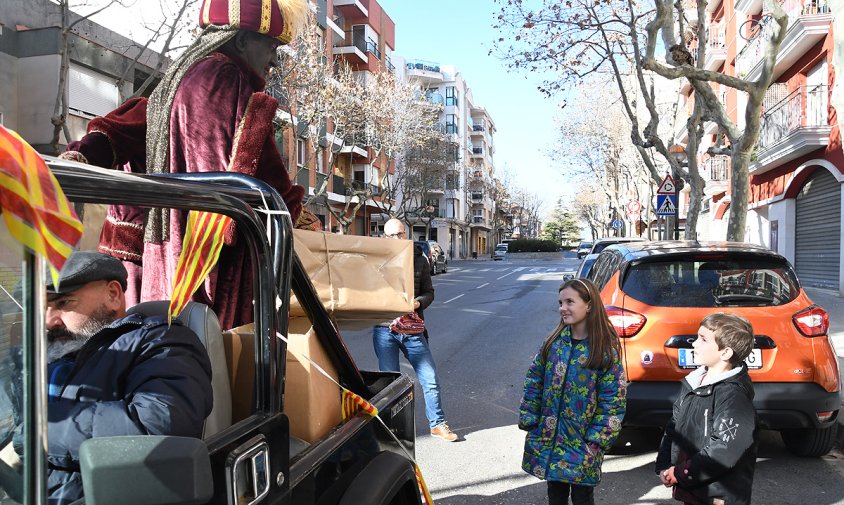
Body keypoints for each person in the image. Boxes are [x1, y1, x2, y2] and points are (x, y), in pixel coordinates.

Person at [60, 0, 310, 329]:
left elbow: (116, 131)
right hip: (201, 270)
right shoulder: (224, 77)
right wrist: (292, 209)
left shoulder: (174, 87)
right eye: (271, 45)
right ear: (240, 40)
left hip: (155, 267)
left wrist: (83, 153)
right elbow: (255, 180)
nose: (275, 59)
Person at [44, 251, 213, 504]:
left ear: (113, 295)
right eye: (43, 307)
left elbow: (158, 428)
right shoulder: (48, 349)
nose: (49, 320)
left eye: (64, 303)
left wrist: (40, 433)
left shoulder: (162, 341)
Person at [519, 278, 626, 505]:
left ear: (588, 305)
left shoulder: (604, 350)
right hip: (551, 440)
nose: (562, 308)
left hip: (583, 445)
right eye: (560, 302)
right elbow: (534, 380)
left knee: (582, 498)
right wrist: (530, 419)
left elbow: (613, 401)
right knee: (555, 494)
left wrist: (596, 440)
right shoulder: (554, 343)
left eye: (569, 302)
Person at [655, 313, 758, 505]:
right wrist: (665, 465)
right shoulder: (694, 383)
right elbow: (674, 427)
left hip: (718, 494)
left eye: (702, 339)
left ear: (725, 353)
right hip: (693, 487)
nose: (694, 344)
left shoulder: (733, 397)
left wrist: (682, 472)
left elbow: (725, 449)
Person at [373, 218, 457, 442]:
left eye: (400, 234)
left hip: (413, 329)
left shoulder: (418, 259)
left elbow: (429, 292)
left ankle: (437, 424)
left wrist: (418, 303)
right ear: (384, 236)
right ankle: (392, 430)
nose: (396, 239)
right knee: (390, 385)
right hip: (385, 330)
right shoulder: (374, 260)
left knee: (429, 378)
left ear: (406, 234)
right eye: (391, 235)